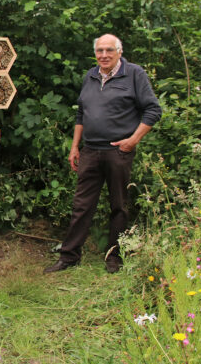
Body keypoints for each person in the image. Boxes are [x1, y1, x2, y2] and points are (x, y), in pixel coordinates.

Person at [44, 34, 162, 274]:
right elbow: (82, 114)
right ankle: (69, 256)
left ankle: (114, 257)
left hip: (118, 151)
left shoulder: (134, 74)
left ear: (119, 51)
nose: (104, 55)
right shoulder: (91, 75)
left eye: (109, 50)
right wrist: (75, 146)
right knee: (81, 205)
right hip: (90, 150)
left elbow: (153, 110)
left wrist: (133, 140)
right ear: (95, 53)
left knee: (118, 205)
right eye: (100, 50)